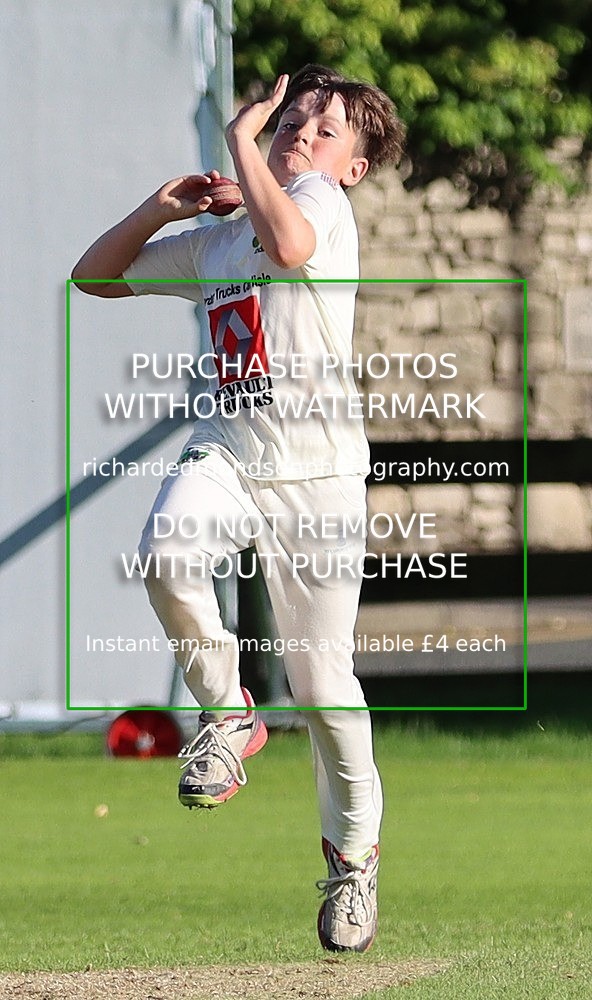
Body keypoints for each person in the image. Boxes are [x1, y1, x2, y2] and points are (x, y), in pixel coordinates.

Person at [72, 64, 405, 953]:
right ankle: (226, 713)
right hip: (233, 454)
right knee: (167, 556)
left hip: (321, 479)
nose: (303, 130)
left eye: (327, 130)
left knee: (326, 687)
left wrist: (239, 146)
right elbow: (93, 279)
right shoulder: (222, 241)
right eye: (296, 115)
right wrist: (160, 210)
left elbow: (290, 245)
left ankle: (354, 860)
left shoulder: (323, 211)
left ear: (353, 167)